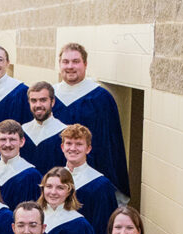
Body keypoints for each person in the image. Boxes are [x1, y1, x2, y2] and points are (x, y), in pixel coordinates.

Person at [54, 43, 130, 201]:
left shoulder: (101, 98)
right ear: (59, 64)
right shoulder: (49, 97)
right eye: (66, 62)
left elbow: (111, 145)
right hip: (54, 180)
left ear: (85, 64)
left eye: (75, 61)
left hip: (92, 179)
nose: (70, 66)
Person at [61, 123, 117, 234]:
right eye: (69, 143)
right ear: (62, 147)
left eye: (79, 144)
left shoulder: (100, 185)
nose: (73, 148)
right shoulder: (54, 180)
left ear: (88, 148)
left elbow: (103, 229)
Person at [37, 167, 96, 234]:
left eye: (60, 188)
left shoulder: (79, 225)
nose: (53, 192)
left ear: (69, 191)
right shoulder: (34, 217)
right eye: (49, 186)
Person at [21, 81, 67, 175]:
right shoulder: (22, 131)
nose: (38, 105)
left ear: (52, 102)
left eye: (43, 100)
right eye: (33, 100)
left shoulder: (64, 133)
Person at [0, 119, 42, 208]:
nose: (7, 144)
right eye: (3, 139)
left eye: (12, 139)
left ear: (22, 142)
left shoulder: (32, 176)